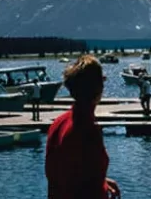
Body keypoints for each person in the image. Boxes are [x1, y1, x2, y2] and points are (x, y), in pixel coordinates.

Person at [46, 55, 120, 199]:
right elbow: (88, 190)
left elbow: (68, 176)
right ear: (99, 88)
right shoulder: (87, 128)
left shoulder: (59, 122)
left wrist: (103, 183)